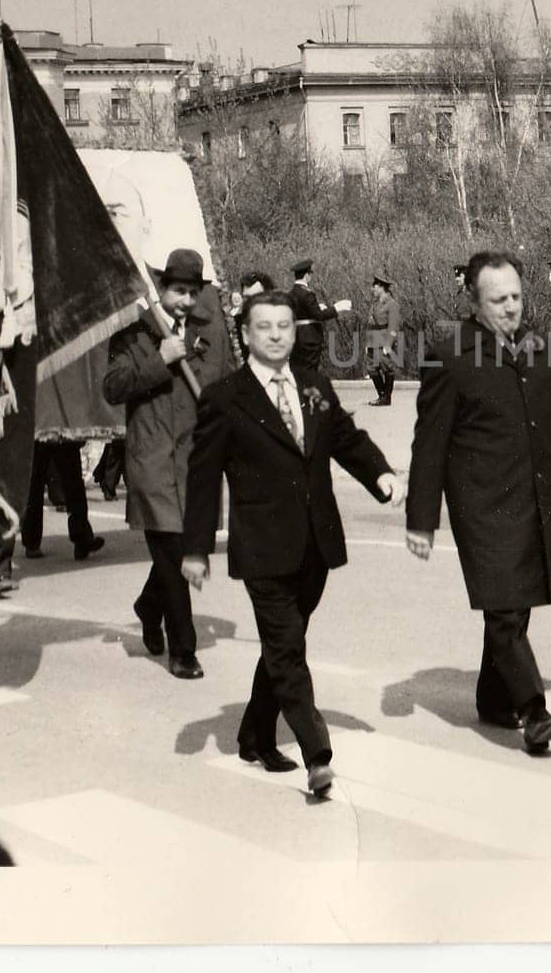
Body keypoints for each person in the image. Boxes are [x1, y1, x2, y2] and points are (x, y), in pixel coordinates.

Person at [182, 290, 404, 798]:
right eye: (266, 327)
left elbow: (345, 439)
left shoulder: (313, 385)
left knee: (284, 648)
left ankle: (255, 734)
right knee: (286, 650)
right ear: (245, 335)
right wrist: (195, 549)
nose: (278, 335)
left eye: (285, 326)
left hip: (315, 545)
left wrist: (381, 475)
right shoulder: (224, 398)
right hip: (262, 547)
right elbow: (202, 478)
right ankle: (317, 755)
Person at [405, 251, 551, 753]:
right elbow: (429, 442)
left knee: (514, 608)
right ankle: (534, 711)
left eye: (516, 297)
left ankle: (493, 699)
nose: (510, 308)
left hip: (534, 498)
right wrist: (421, 518)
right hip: (481, 507)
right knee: (503, 609)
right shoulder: (451, 354)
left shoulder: (541, 349)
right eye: (497, 300)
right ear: (474, 302)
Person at [104, 248, 233, 679]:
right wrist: (160, 359)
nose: (186, 301)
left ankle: (147, 605)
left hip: (195, 460)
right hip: (152, 457)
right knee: (173, 552)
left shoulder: (211, 333)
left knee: (186, 549)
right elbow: (113, 386)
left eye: (193, 292)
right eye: (178, 291)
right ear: (160, 289)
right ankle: (184, 650)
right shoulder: (134, 333)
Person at [20, 439, 104, 561]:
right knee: (37, 483)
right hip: (46, 429)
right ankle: (32, 541)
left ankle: (81, 538)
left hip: (56, 429)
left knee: (71, 480)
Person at [286, 258, 350, 372]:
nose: (311, 276)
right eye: (310, 273)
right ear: (306, 275)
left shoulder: (291, 293)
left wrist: (317, 307)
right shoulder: (307, 293)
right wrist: (336, 308)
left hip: (296, 336)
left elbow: (301, 312)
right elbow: (318, 316)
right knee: (310, 371)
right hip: (309, 337)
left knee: (297, 370)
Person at [364, 273, 400, 406]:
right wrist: (368, 343)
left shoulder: (391, 304)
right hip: (373, 341)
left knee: (387, 368)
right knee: (371, 369)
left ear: (381, 287)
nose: (372, 289)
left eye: (374, 286)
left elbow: (393, 326)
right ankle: (382, 395)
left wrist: (389, 344)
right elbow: (371, 324)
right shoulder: (375, 304)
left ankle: (386, 398)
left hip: (383, 341)